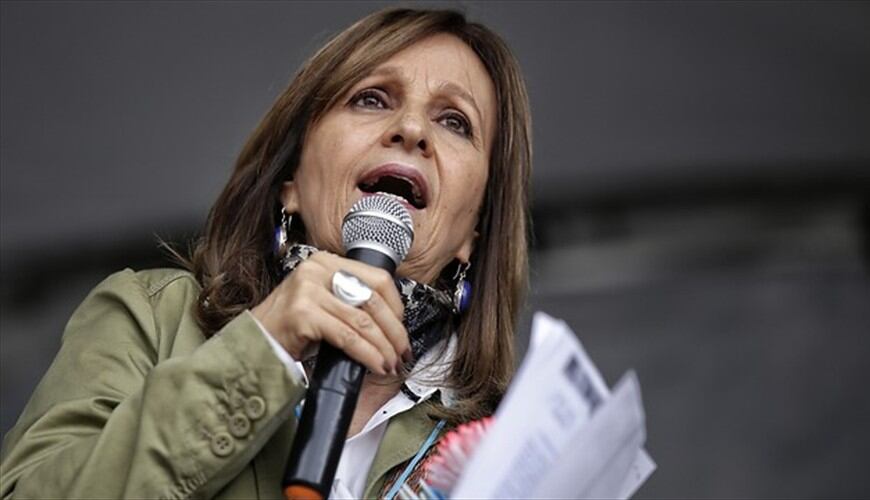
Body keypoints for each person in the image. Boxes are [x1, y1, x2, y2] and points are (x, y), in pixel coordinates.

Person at [0, 6, 531, 499]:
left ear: (474, 233)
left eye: (454, 121)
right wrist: (264, 351)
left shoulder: (514, 442)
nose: (412, 129)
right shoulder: (151, 317)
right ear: (290, 182)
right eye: (372, 98)